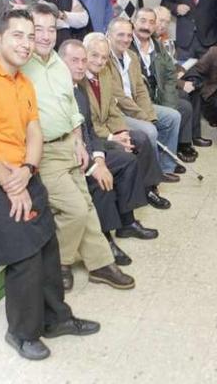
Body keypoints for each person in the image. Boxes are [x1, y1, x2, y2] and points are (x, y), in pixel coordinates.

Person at [0, 8, 98, 360]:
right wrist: (11, 183)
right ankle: (21, 333)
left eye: (31, 36)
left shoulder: (23, 81)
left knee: (47, 246)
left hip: (22, 172)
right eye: (18, 35)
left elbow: (34, 131)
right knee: (25, 255)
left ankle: (55, 319)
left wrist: (30, 167)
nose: (27, 42)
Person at [21, 3, 134, 292]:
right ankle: (61, 261)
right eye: (39, 30)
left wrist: (79, 141)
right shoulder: (22, 66)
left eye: (51, 29)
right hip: (42, 152)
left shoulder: (58, 65)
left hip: (69, 146)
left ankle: (100, 264)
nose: (46, 36)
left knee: (87, 207)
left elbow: (71, 107)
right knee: (75, 211)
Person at [59, 39, 158, 266]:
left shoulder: (79, 90)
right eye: (75, 60)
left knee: (127, 160)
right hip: (68, 157)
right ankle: (105, 239)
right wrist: (96, 165)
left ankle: (126, 222)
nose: (81, 65)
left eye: (84, 60)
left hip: (90, 148)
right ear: (59, 61)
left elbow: (91, 131)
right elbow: (68, 139)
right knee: (101, 181)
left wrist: (99, 157)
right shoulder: (61, 91)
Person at [82, 32, 175, 207]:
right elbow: (87, 124)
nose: (100, 61)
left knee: (140, 138)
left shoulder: (104, 74)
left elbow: (111, 107)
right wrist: (112, 137)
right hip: (93, 137)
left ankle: (148, 188)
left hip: (108, 128)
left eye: (104, 57)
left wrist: (121, 131)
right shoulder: (79, 80)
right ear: (84, 52)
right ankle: (129, 203)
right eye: (94, 55)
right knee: (125, 148)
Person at [106, 17, 184, 178]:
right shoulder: (105, 59)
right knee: (149, 130)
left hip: (135, 106)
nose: (126, 39)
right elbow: (118, 97)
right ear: (109, 35)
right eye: (120, 35)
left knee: (173, 117)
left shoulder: (131, 56)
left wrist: (148, 113)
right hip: (118, 111)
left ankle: (166, 167)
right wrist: (143, 117)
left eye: (129, 35)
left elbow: (141, 90)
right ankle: (154, 174)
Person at [129, 8, 205, 160]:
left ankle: (178, 148)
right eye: (142, 21)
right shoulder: (127, 45)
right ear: (133, 22)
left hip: (157, 92)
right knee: (177, 108)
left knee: (183, 107)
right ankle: (168, 156)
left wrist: (168, 104)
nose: (146, 26)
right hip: (137, 98)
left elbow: (170, 73)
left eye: (151, 22)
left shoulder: (156, 45)